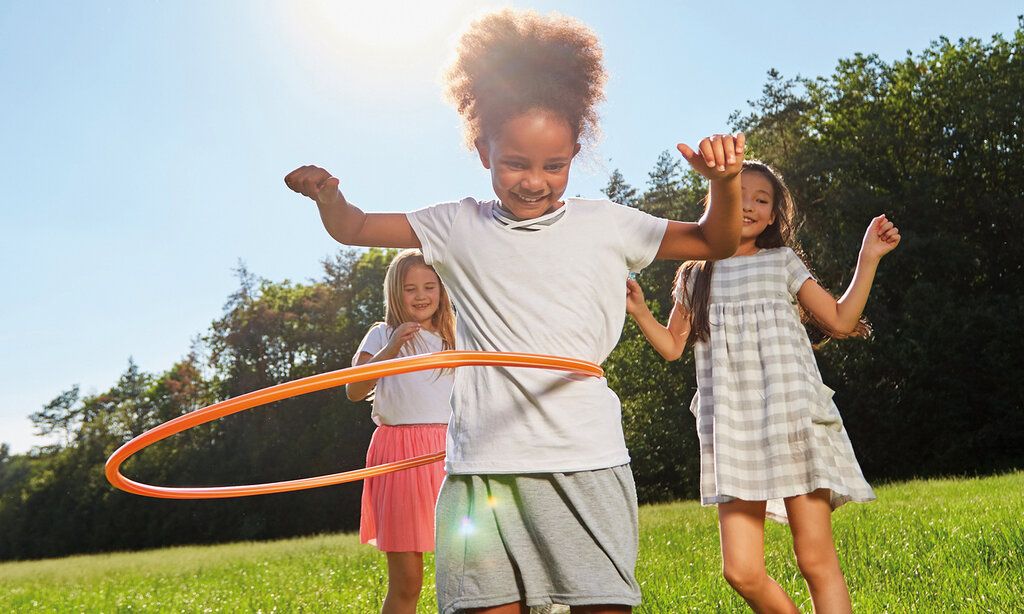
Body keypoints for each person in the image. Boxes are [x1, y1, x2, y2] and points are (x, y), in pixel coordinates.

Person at [286, 9, 745, 612]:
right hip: (482, 464)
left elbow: (715, 241)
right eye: (515, 164)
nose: (535, 181)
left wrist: (725, 183)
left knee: (600, 603)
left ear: (575, 152)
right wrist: (328, 194)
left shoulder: (608, 224)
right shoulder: (454, 225)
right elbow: (353, 228)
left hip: (583, 457)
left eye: (554, 165)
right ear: (483, 152)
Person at [626, 160, 900, 613]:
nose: (749, 206)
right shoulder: (696, 275)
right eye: (738, 195)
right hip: (732, 428)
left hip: (791, 415)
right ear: (715, 203)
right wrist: (640, 313)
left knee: (814, 558)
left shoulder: (782, 262)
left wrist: (867, 257)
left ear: (773, 216)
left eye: (762, 200)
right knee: (741, 571)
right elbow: (673, 347)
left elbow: (840, 319)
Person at [348, 248, 456, 614]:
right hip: (399, 454)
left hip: (450, 451)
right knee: (408, 580)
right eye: (411, 288)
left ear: (442, 290)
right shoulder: (382, 334)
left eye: (430, 286)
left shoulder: (454, 338)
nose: (422, 296)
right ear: (396, 292)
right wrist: (393, 348)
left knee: (468, 569)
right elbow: (354, 389)